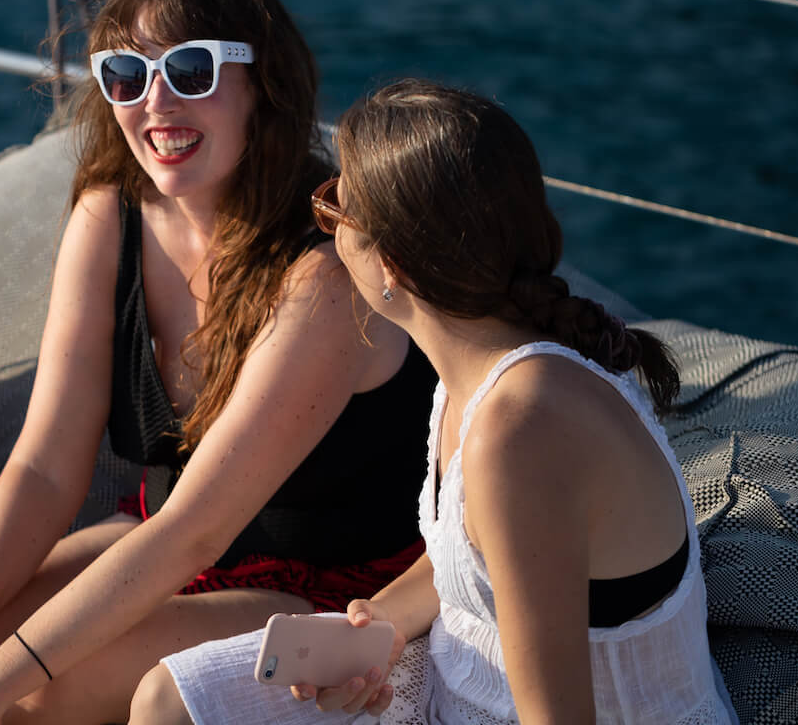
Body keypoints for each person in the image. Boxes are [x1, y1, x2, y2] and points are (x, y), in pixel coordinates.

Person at [0, 0, 438, 725]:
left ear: (262, 82)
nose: (155, 102)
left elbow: (196, 532)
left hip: (326, 585)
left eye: (190, 71)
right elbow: (46, 464)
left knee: (35, 689)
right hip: (166, 540)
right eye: (125, 75)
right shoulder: (111, 214)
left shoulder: (321, 272)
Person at [136, 80, 739, 725]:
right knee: (168, 699)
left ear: (392, 265)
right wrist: (379, 625)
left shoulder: (519, 434)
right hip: (458, 676)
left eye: (334, 208)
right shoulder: (475, 367)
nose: (324, 230)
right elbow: (479, 555)